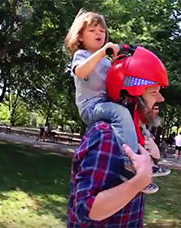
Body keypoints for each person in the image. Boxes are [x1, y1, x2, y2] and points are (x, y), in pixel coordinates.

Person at [66, 34, 169, 226]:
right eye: (153, 91)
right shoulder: (106, 135)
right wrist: (140, 180)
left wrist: (152, 157)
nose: (161, 99)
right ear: (130, 94)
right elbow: (86, 209)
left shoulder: (131, 133)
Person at [64, 9, 157, 194]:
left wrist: (125, 61)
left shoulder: (106, 62)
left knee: (132, 110)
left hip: (107, 105)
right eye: (92, 30)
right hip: (91, 107)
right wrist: (102, 52)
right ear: (80, 37)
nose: (99, 33)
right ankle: (128, 164)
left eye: (102, 30)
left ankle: (147, 158)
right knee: (120, 112)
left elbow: (118, 82)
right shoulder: (81, 56)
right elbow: (81, 72)